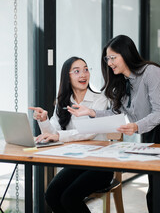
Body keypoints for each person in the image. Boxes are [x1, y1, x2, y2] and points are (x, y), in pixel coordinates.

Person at [68, 35, 160, 213]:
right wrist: (91, 112)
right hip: (151, 135)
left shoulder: (151, 72)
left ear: (126, 54)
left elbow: (159, 112)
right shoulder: (124, 83)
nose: (109, 63)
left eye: (113, 57)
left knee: (157, 194)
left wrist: (136, 126)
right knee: (154, 194)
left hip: (156, 131)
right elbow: (119, 113)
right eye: (107, 58)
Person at [29, 56, 113, 213]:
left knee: (69, 198)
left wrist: (59, 136)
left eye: (86, 69)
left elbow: (89, 132)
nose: (83, 74)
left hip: (101, 164)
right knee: (52, 196)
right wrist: (44, 120)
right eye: (77, 71)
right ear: (67, 76)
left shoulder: (99, 99)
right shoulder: (63, 101)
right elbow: (52, 133)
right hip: (78, 163)